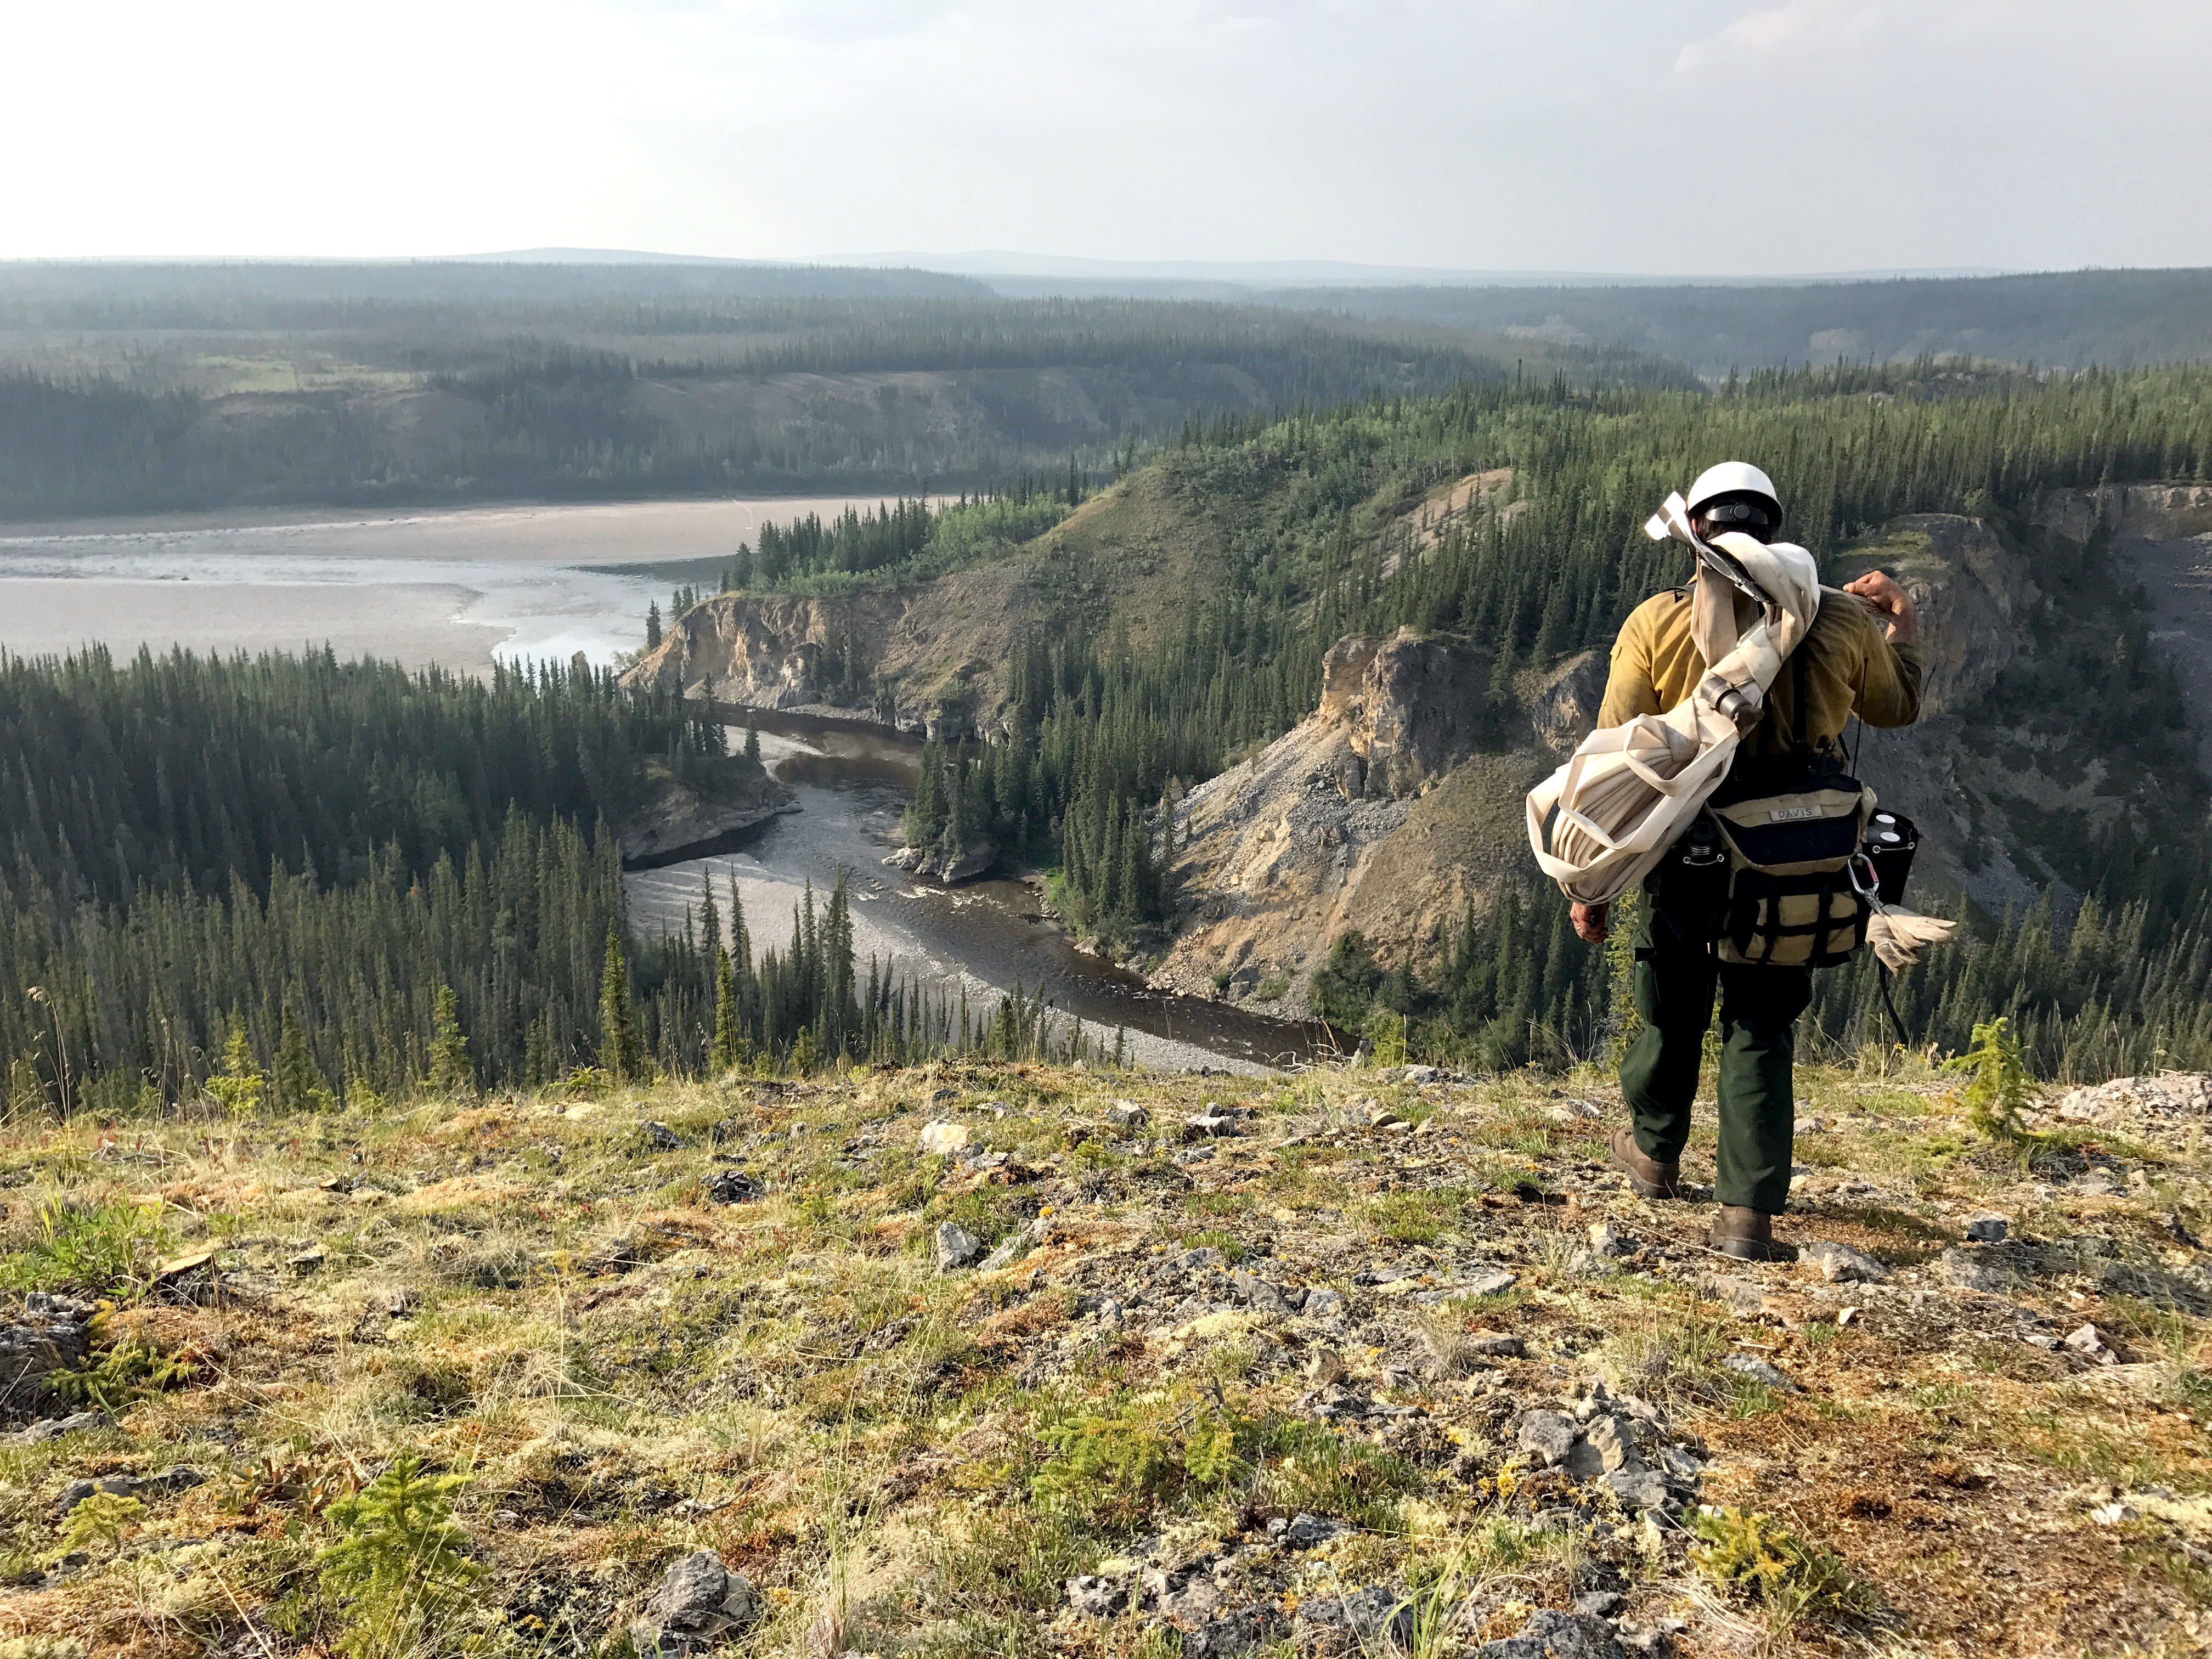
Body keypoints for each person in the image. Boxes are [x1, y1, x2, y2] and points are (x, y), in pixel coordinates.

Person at [1571, 461, 1923, 1260]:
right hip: (1798, 856)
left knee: (1671, 1003)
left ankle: (1656, 1155)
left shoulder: (1657, 626)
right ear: (1777, 526)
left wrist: (1591, 880)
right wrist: (1901, 627)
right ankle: (1747, 1216)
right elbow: (1897, 707)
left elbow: (1617, 757)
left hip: (1688, 849)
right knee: (1762, 1021)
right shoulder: (1838, 622)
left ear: (1695, 532)